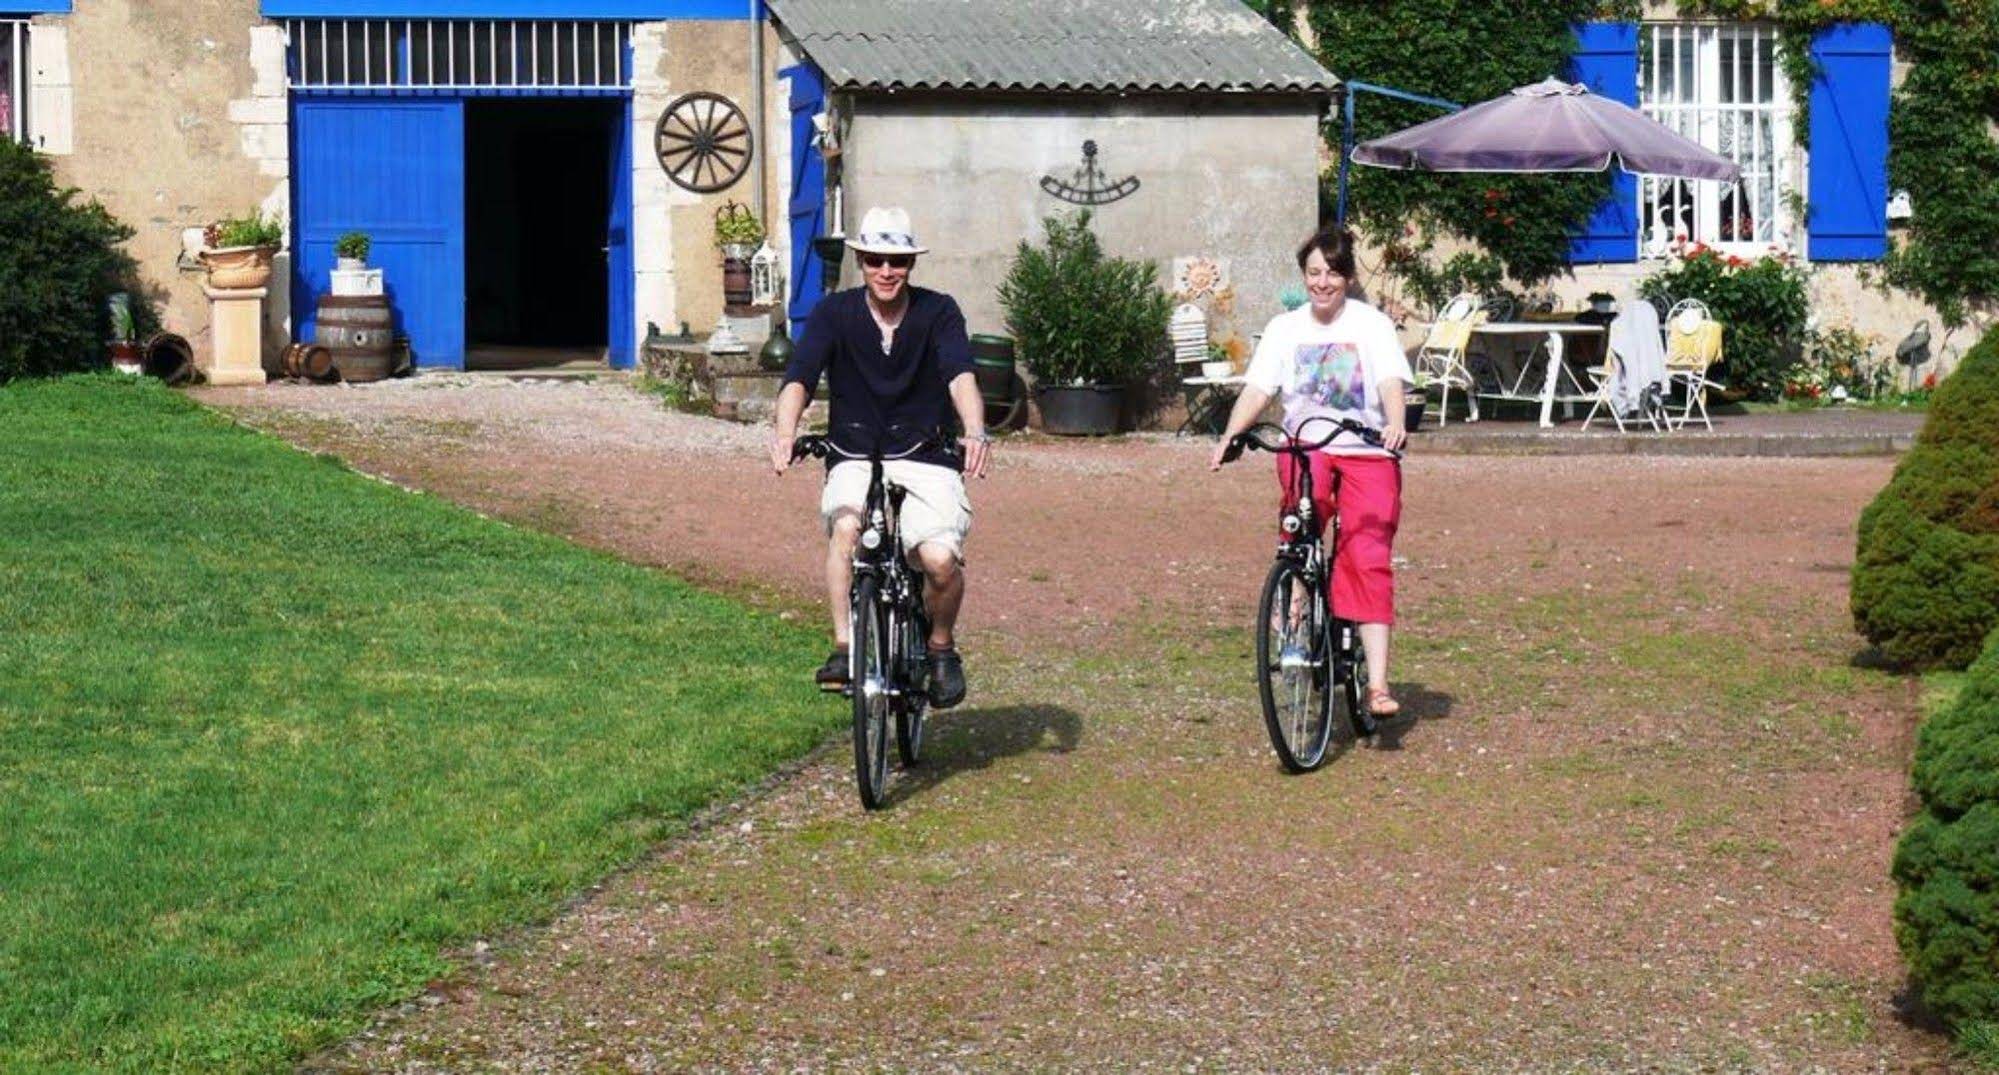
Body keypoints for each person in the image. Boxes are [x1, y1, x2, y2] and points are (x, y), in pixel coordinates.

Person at [769, 206, 992, 708]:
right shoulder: (834, 313)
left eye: (898, 262)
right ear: (861, 262)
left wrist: (975, 431)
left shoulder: (939, 312)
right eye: (875, 260)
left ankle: (940, 646)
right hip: (853, 446)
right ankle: (845, 645)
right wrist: (785, 432)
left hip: (925, 450)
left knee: (937, 560)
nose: (886, 272)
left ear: (911, 264)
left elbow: (960, 375)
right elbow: (799, 377)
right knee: (846, 529)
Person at [1209, 226, 1411, 716]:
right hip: (1307, 445)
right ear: (1304, 276)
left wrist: (1397, 424)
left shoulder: (1371, 325)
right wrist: (1230, 435)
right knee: (1303, 514)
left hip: (1365, 449)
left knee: (1366, 551)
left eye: (1333, 273)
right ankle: (1296, 592)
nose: (1323, 283)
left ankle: (1377, 686)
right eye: (1314, 273)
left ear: (1348, 277)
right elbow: (1259, 389)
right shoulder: (1285, 328)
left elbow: (1388, 380)